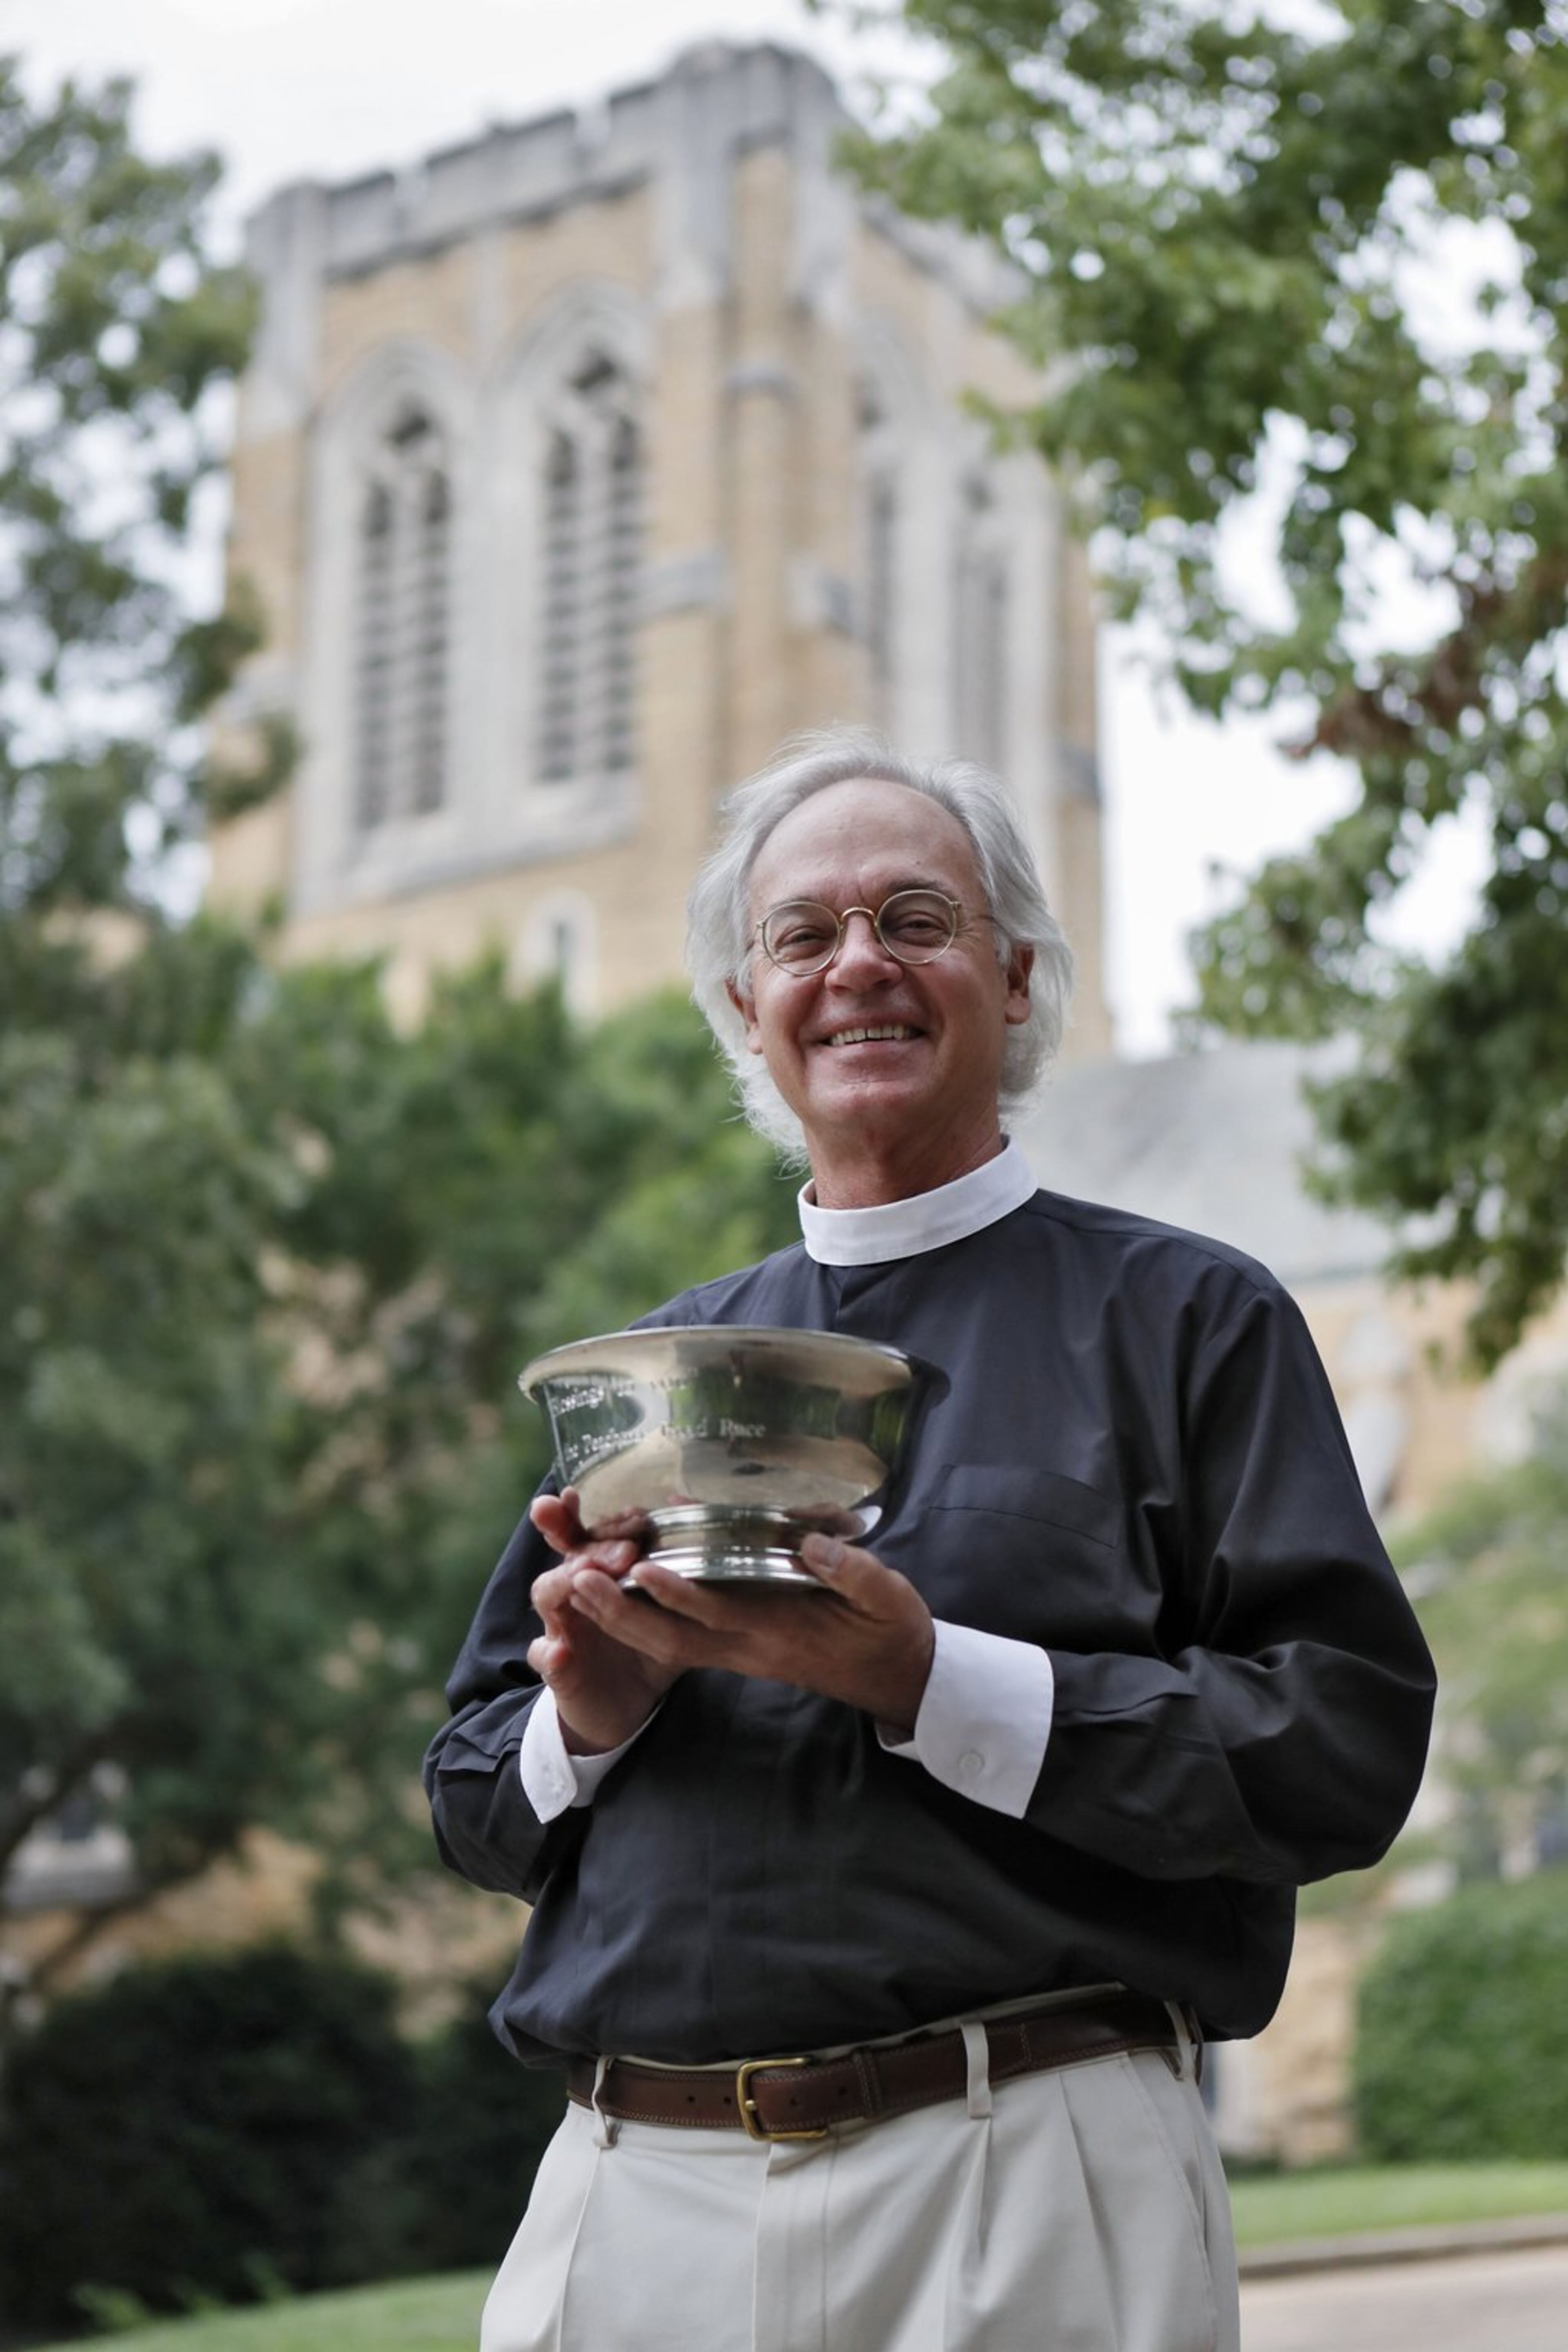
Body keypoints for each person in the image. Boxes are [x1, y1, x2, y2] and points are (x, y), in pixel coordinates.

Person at [424, 728, 1436, 2352]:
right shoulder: (649, 1379)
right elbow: (471, 1799)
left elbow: (1341, 1747)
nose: (857, 969)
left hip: (1025, 2169)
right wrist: (587, 1722)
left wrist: (929, 1682)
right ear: (744, 1012)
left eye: (915, 919)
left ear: (1017, 979)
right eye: (801, 937)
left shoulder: (1188, 1321)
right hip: (636, 2196)